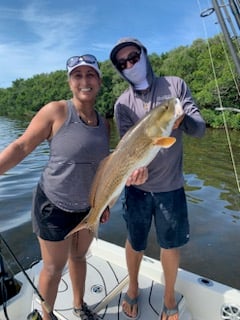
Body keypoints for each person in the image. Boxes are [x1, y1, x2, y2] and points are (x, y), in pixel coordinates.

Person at [0, 54, 147, 320]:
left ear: (99, 81)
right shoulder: (56, 111)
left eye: (90, 75)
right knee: (53, 269)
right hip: (53, 206)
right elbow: (21, 146)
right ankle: (47, 316)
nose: (84, 81)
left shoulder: (103, 125)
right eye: (77, 76)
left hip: (87, 208)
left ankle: (80, 306)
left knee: (79, 258)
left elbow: (102, 171)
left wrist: (104, 203)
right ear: (70, 82)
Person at [110, 38, 206, 320]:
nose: (130, 64)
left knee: (170, 245)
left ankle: (168, 296)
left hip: (171, 187)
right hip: (137, 190)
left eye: (133, 56)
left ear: (144, 54)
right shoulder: (121, 104)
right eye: (122, 63)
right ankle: (133, 285)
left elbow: (199, 130)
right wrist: (134, 173)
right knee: (134, 241)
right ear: (120, 69)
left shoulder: (175, 86)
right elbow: (128, 151)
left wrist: (183, 119)